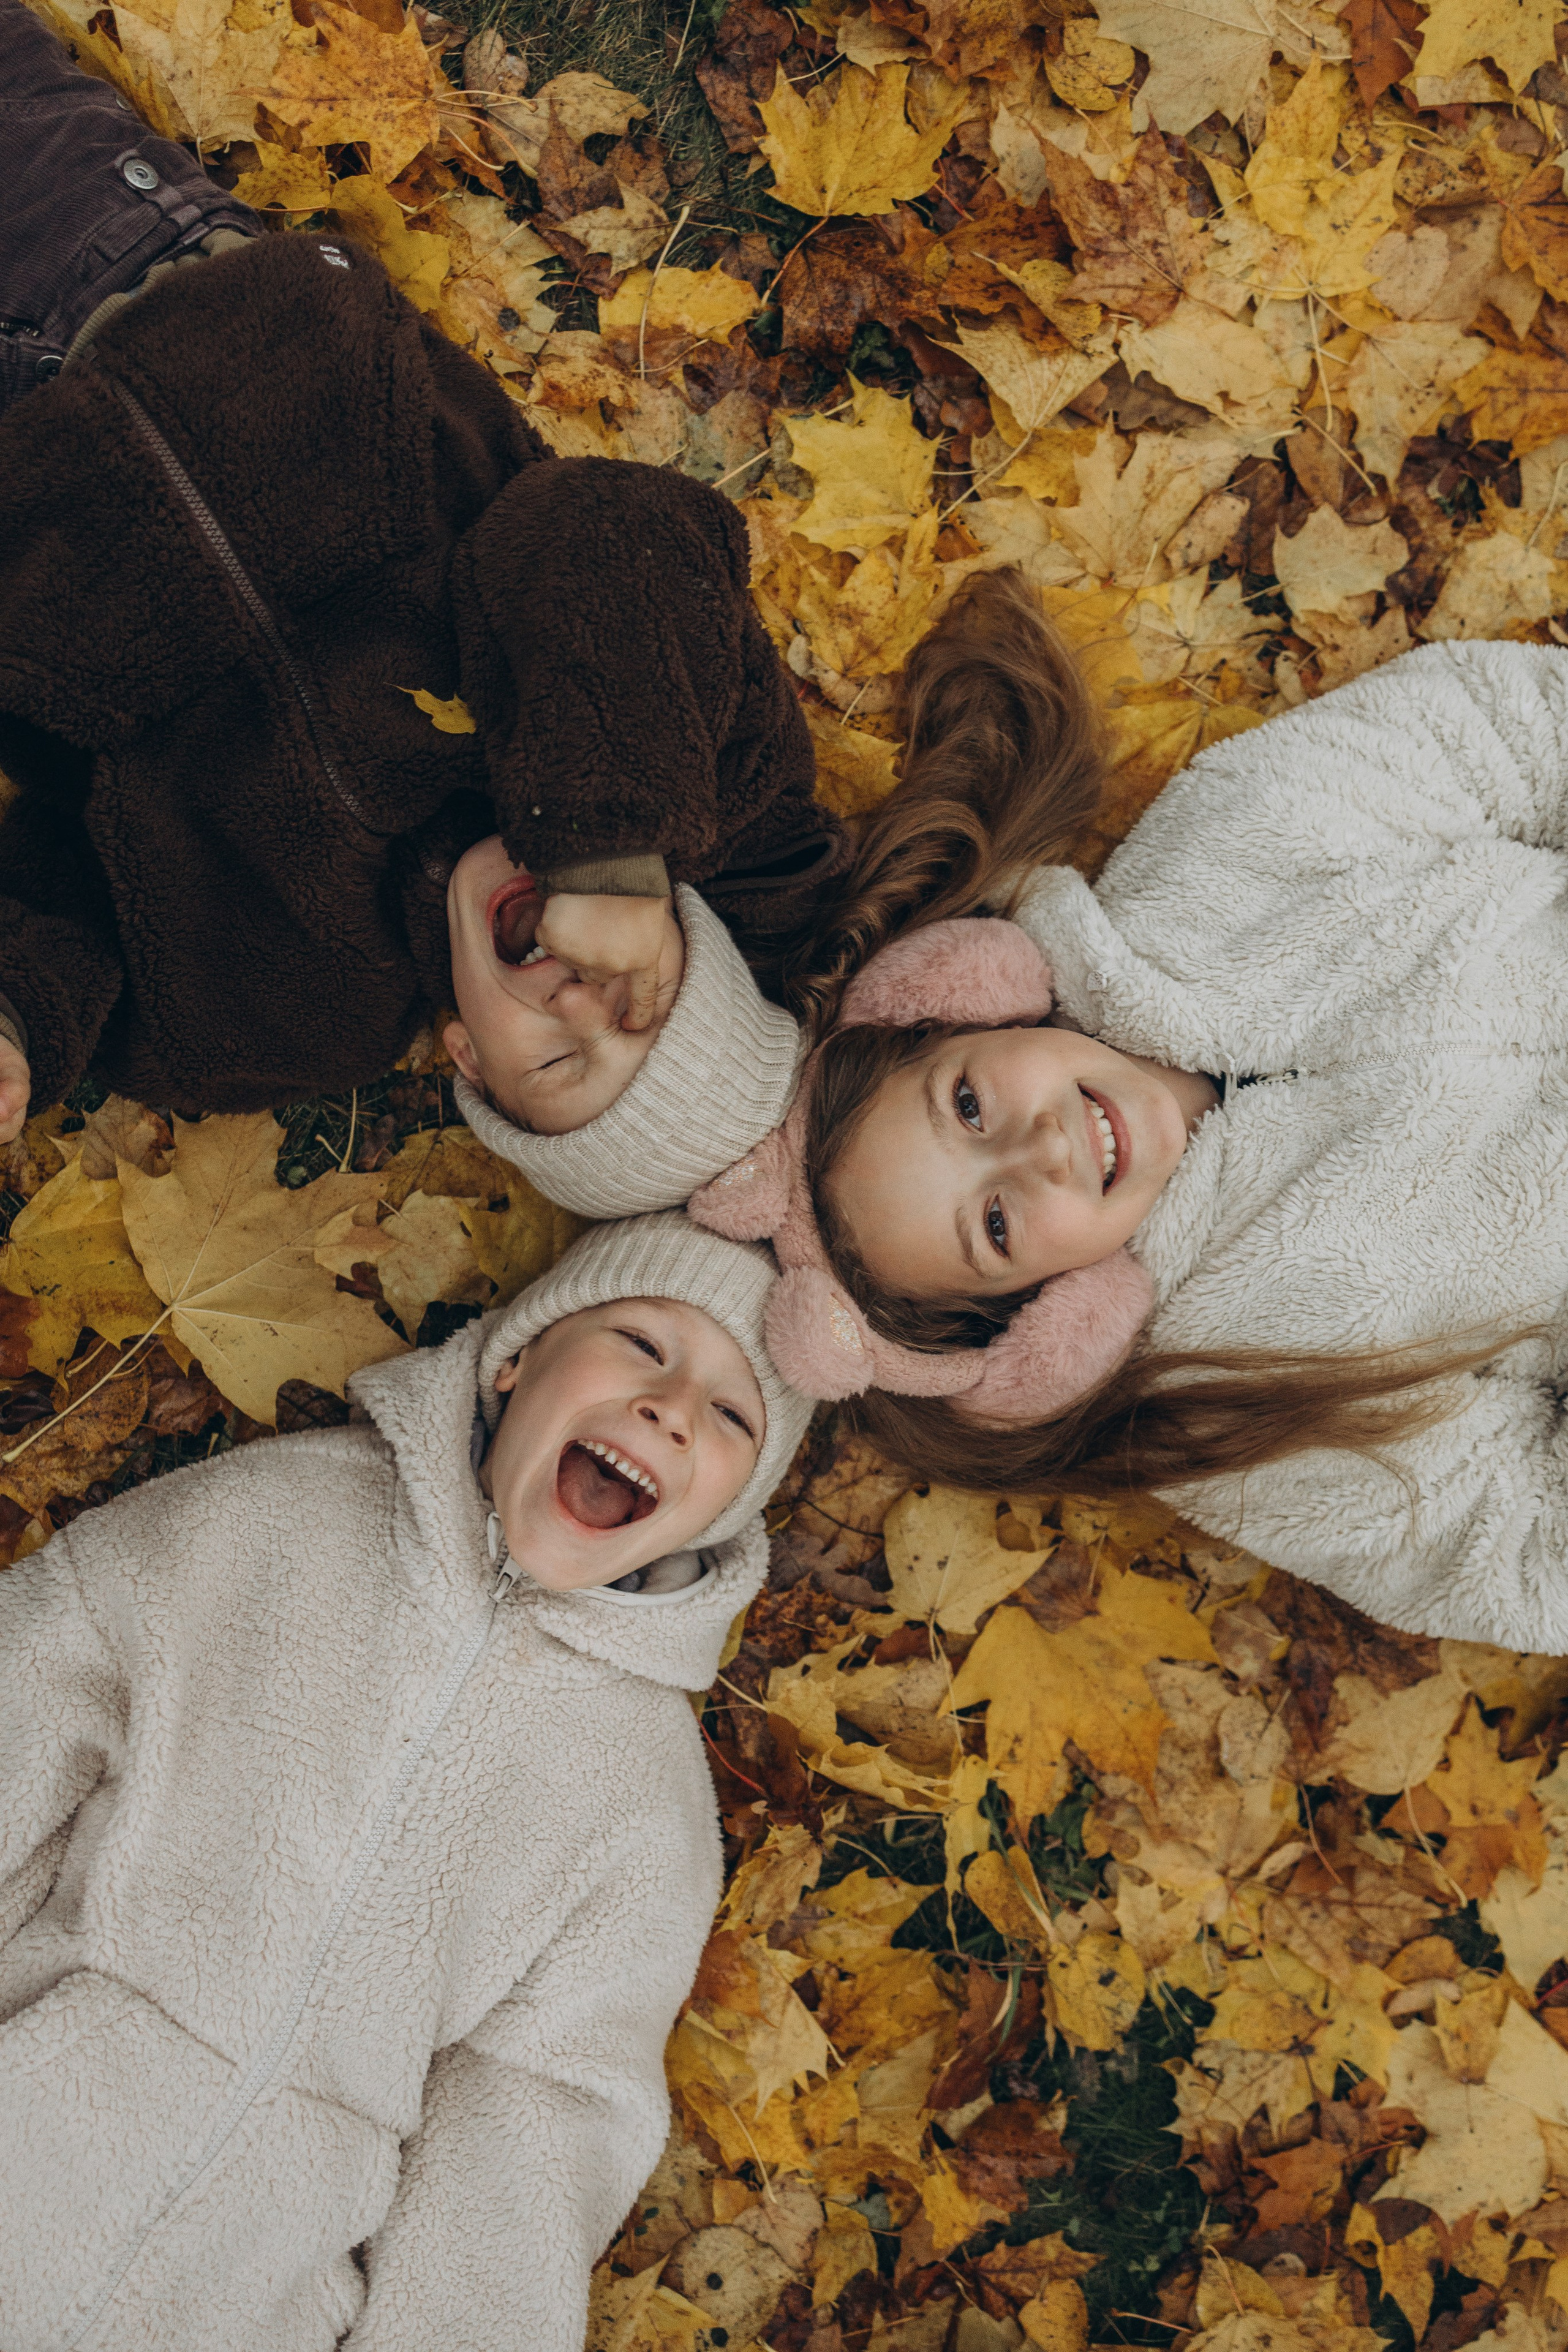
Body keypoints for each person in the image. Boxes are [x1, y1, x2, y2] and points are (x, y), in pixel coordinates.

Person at [0, 0, 1101, 1205]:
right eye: (647, 996)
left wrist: (20, 1025)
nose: (580, 994)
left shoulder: (289, 1025)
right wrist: (611, 856)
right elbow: (597, 529)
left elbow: (77, 925)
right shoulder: (679, 767)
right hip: (152, 287)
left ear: (473, 1070)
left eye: (567, 1058)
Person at [0, 1212, 815, 2352]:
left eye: (731, 1414)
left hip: (260, 2286)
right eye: (640, 1344)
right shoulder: (271, 1520)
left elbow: (538, 2108)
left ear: (725, 1511)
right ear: (518, 1356)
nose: (671, 1408)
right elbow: (36, 1686)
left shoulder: (646, 1803)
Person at [682, 639, 1568, 1655]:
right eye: (1000, 1222)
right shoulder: (1231, 1405)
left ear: (971, 1004)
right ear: (1050, 1320)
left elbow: (1493, 728)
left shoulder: (1217, 861)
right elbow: (1521, 1553)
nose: (1041, 1147)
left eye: (968, 1106)